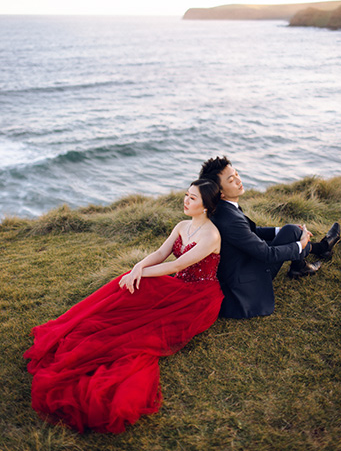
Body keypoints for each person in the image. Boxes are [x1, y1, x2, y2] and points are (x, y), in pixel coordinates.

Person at [23, 179, 224, 434]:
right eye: (186, 195)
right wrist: (138, 267)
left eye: (192, 198)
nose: (185, 200)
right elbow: (161, 254)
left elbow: (176, 266)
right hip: (177, 286)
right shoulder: (182, 225)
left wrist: (140, 273)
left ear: (206, 205)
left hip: (198, 298)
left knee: (137, 324)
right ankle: (94, 318)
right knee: (130, 283)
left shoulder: (211, 234)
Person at [199, 156, 341, 319]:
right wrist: (299, 245)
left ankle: (310, 256)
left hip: (242, 261)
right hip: (246, 281)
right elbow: (267, 254)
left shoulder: (222, 209)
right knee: (293, 233)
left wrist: (278, 230)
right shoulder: (229, 219)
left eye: (237, 174)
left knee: (290, 230)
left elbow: (251, 232)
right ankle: (316, 253)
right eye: (231, 180)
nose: (239, 180)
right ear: (220, 192)